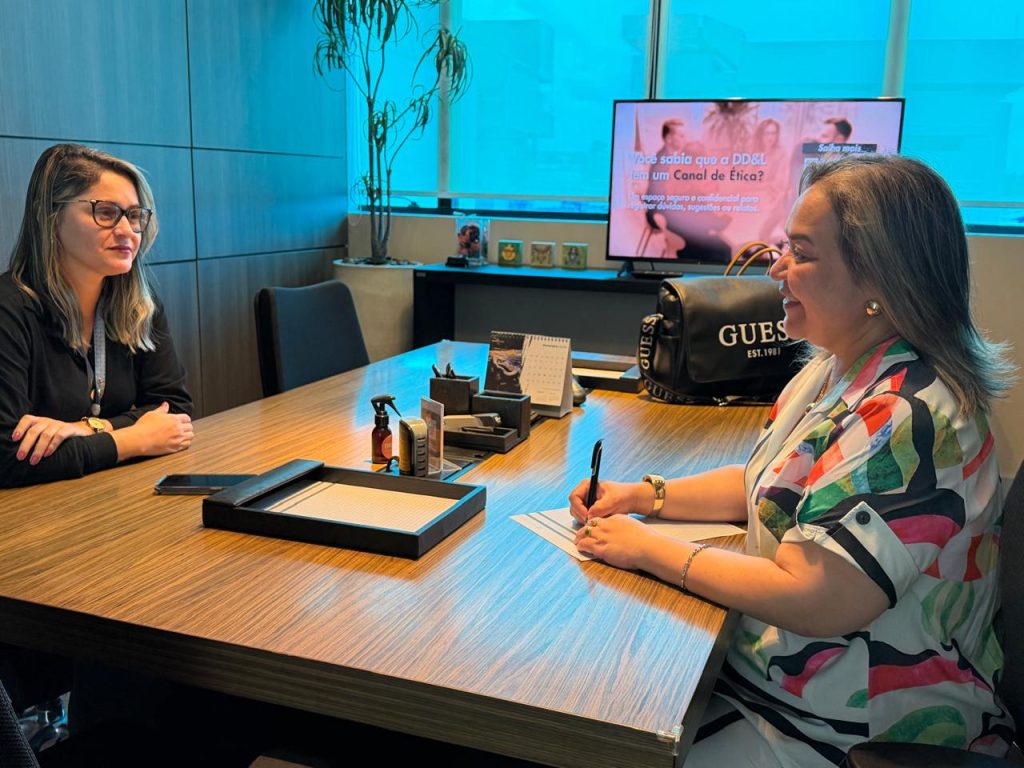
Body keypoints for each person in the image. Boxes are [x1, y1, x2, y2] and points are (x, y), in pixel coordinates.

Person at [569, 154, 1015, 765]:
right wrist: (644, 496)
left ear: (880, 280)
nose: (775, 267)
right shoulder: (835, 370)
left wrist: (648, 549)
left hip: (849, 731)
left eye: (800, 253)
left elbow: (815, 596)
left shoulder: (909, 416)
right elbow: (769, 485)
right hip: (777, 688)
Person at [0, 143, 194, 488]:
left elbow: (173, 412)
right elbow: (7, 456)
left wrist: (87, 429)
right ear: (51, 216)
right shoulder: (8, 309)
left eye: (134, 216)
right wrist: (129, 441)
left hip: (113, 496)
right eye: (105, 212)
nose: (127, 230)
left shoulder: (138, 305)